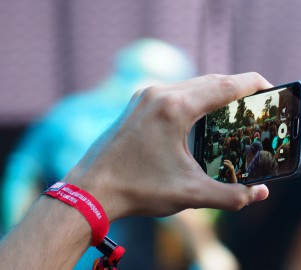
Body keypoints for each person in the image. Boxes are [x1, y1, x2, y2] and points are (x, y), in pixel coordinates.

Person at [0, 73, 271, 269]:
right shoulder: (139, 122)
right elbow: (179, 215)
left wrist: (17, 237)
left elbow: (19, 177)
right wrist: (208, 251)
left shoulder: (63, 112)